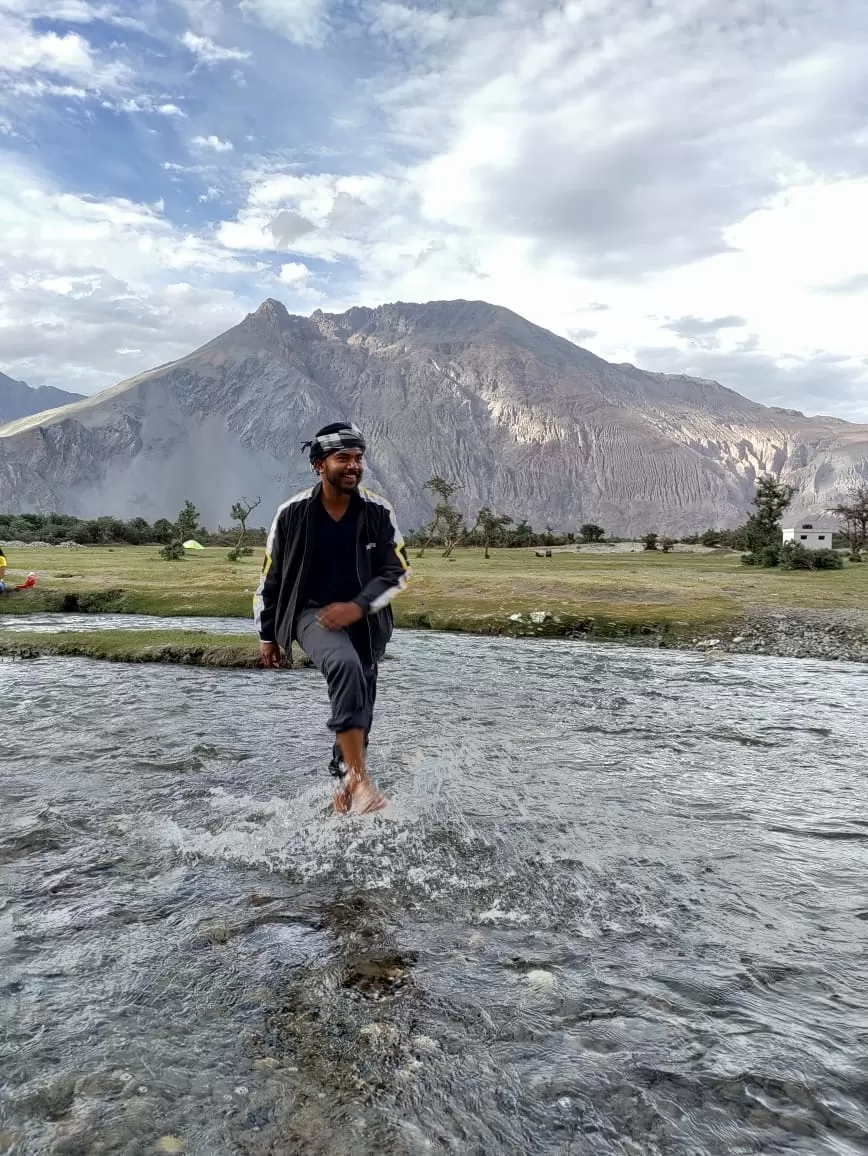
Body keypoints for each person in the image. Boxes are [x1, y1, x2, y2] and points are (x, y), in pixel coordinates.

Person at [254, 422, 410, 815]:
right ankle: (358, 780)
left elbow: (398, 572)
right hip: (313, 615)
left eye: (358, 458)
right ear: (319, 465)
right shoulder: (291, 514)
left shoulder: (378, 511)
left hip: (367, 623)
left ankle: (342, 796)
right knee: (343, 666)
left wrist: (358, 606)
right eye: (344, 458)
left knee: (362, 708)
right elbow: (270, 578)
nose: (354, 466)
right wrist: (268, 634)